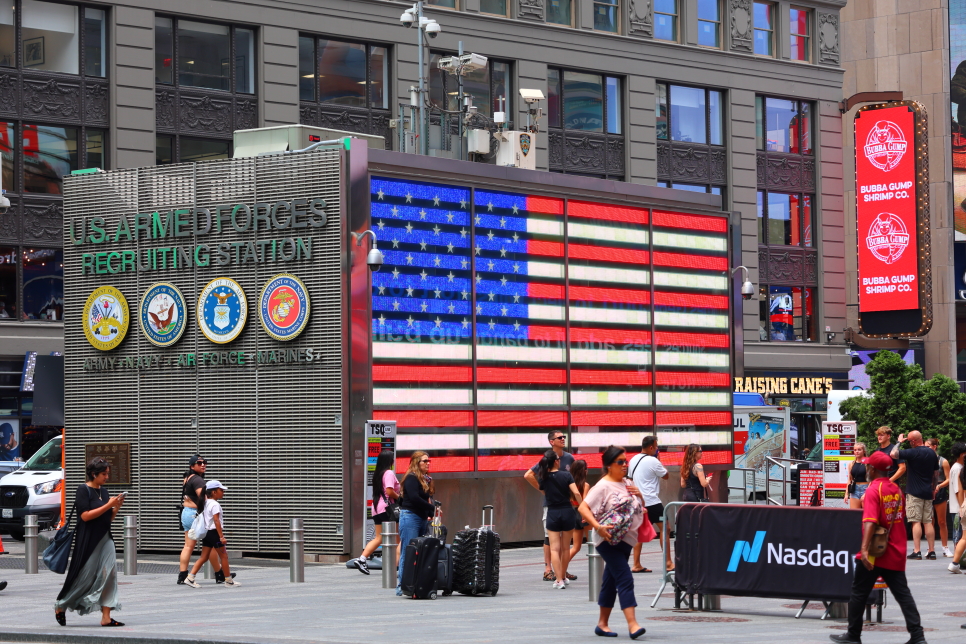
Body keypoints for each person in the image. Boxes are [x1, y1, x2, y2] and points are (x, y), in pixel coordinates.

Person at [829, 451, 926, 644]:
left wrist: (864, 549)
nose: (866, 468)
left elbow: (870, 521)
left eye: (867, 466)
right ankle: (918, 636)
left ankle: (853, 635)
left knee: (858, 592)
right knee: (903, 594)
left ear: (872, 469)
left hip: (874, 553)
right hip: (895, 551)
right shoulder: (896, 490)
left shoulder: (873, 490)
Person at [578, 446, 646, 640]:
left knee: (610, 581)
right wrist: (597, 526)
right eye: (620, 462)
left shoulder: (628, 483)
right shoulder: (602, 486)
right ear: (609, 466)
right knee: (625, 578)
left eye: (626, 461)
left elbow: (638, 507)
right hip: (608, 540)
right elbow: (583, 508)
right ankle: (632, 624)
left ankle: (602, 624)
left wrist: (639, 495)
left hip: (626, 540)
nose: (625, 465)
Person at [55, 457, 125, 627]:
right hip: (88, 539)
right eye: (104, 474)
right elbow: (85, 516)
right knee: (85, 576)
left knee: (110, 574)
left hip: (105, 537)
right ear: (93, 474)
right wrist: (108, 506)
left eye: (107, 474)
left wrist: (115, 508)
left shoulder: (105, 492)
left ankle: (106, 617)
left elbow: (108, 519)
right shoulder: (82, 490)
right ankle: (61, 604)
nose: (107, 477)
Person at [523, 430, 574, 582]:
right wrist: (544, 490)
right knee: (550, 538)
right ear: (552, 441)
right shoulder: (547, 459)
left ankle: (562, 571)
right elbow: (528, 475)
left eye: (564, 437)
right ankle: (548, 569)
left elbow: (575, 476)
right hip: (551, 506)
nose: (563, 439)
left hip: (566, 505)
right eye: (559, 438)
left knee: (564, 541)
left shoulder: (569, 458)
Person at [350, 449, 400, 575]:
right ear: (389, 461)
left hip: (377, 508)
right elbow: (389, 491)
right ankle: (397, 566)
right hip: (388, 510)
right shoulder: (388, 473)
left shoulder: (378, 473)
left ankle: (361, 559)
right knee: (399, 538)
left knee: (380, 537)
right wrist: (401, 498)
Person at [891, 431, 939, 559]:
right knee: (928, 521)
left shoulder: (913, 452)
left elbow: (893, 454)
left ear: (913, 441)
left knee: (915, 521)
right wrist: (933, 489)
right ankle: (931, 551)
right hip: (928, 492)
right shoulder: (932, 453)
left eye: (910, 441)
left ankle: (917, 551)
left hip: (914, 492)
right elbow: (935, 473)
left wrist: (899, 442)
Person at [537, 450, 581, 589]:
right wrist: (581, 506)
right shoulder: (566, 475)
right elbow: (576, 492)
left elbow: (544, 491)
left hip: (553, 513)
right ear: (556, 461)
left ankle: (559, 580)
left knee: (554, 549)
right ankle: (562, 576)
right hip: (567, 512)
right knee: (566, 548)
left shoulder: (543, 477)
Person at [185, 481, 239, 588]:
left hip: (207, 533)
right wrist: (221, 536)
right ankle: (228, 581)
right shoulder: (215, 504)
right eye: (221, 490)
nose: (223, 492)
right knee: (224, 556)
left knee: (204, 557)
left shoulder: (205, 502)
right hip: (214, 533)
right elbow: (216, 521)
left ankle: (190, 578)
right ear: (214, 492)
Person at [629, 436, 670, 573]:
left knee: (639, 531)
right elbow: (665, 475)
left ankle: (636, 564)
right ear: (651, 447)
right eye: (656, 446)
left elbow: (630, 477)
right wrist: (658, 461)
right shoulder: (653, 461)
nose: (657, 448)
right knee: (666, 528)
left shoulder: (633, 459)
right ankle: (669, 562)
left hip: (638, 501)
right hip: (651, 501)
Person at [396, 451, 434, 596]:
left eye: (429, 461)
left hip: (422, 518)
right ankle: (401, 586)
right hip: (410, 517)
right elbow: (414, 498)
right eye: (425, 461)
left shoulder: (425, 479)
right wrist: (432, 508)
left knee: (420, 552)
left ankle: (415, 584)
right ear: (416, 463)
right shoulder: (411, 477)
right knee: (408, 550)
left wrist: (431, 513)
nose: (428, 463)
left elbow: (427, 499)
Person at [178, 455, 207, 585]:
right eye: (199, 463)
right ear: (192, 466)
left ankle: (182, 574)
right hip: (195, 515)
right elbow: (204, 499)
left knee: (188, 546)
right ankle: (220, 573)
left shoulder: (187, 478)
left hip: (186, 513)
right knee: (209, 544)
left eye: (204, 462)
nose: (203, 465)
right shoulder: (198, 480)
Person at [926, 438, 952, 557]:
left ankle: (945, 547)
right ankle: (930, 548)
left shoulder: (943, 461)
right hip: (927, 490)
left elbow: (949, 478)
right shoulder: (924, 460)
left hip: (940, 490)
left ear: (934, 447)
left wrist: (940, 485)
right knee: (929, 521)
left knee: (942, 521)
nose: (926, 449)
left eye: (928, 447)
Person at [947, 443, 966, 573]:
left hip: (962, 506)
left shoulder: (961, 468)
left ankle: (956, 561)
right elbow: (958, 491)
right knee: (958, 536)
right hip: (958, 507)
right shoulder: (957, 469)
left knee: (962, 537)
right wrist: (960, 507)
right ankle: (957, 561)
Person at [568, 459, 591, 563]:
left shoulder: (569, 484)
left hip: (572, 513)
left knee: (576, 547)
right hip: (582, 513)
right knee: (593, 543)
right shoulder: (585, 485)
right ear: (584, 470)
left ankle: (560, 567)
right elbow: (585, 500)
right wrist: (585, 514)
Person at [846, 442, 869, 510]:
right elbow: (850, 479)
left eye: (859, 450)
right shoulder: (851, 464)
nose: (857, 452)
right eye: (855, 450)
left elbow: (872, 480)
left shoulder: (868, 463)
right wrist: (846, 494)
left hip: (866, 488)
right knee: (854, 513)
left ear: (863, 451)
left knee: (866, 513)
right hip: (854, 489)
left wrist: (867, 493)